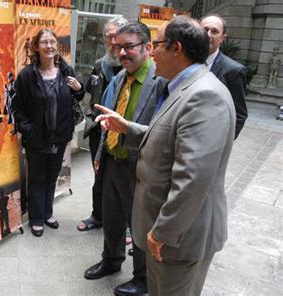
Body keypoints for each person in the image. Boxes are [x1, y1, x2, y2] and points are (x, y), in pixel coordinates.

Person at [95, 16, 236, 295]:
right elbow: (169, 137)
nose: (151, 51)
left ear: (176, 48)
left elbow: (192, 179)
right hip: (169, 234)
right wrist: (128, 128)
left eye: (156, 44)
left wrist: (162, 233)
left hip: (179, 239)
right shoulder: (182, 86)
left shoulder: (204, 96)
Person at [83, 22, 167, 296]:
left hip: (141, 167)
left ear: (148, 47)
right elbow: (109, 120)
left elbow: (163, 133)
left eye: (128, 46)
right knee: (112, 217)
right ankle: (111, 261)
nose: (121, 53)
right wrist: (99, 155)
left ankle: (142, 278)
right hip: (112, 161)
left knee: (141, 224)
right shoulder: (119, 78)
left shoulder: (161, 82)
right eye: (117, 47)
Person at [13, 28, 84, 237]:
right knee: (36, 178)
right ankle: (36, 218)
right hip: (36, 138)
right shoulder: (26, 75)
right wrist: (28, 130)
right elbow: (17, 109)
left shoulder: (66, 70)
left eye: (52, 41)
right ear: (36, 47)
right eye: (44, 42)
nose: (49, 46)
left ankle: (47, 213)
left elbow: (78, 97)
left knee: (52, 176)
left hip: (60, 136)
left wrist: (79, 89)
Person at [77, 15, 128, 232]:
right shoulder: (100, 65)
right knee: (99, 176)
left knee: (124, 179)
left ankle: (126, 224)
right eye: (108, 37)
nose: (112, 42)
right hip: (100, 131)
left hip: (125, 131)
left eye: (116, 36)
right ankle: (97, 216)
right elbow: (89, 94)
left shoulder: (131, 65)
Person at [200, 14, 247, 138]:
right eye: (205, 30)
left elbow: (239, 114)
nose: (208, 34)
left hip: (211, 140)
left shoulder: (233, 70)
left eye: (214, 31)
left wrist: (224, 143)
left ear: (222, 38)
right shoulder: (186, 61)